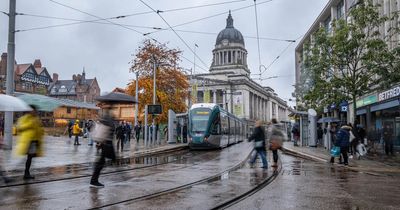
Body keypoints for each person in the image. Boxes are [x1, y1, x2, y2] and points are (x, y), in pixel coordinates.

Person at [16, 105, 44, 179]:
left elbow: (38, 130)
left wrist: (41, 130)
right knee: (29, 157)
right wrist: (30, 124)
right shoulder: (25, 118)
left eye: (35, 110)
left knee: (30, 157)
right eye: (33, 110)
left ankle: (26, 173)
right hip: (28, 141)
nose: (34, 112)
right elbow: (19, 128)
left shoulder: (36, 119)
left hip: (34, 141)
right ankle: (25, 173)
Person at [90, 110, 116, 188]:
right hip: (105, 143)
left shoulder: (106, 121)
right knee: (101, 162)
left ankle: (94, 180)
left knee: (101, 161)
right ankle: (94, 181)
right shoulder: (106, 122)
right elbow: (103, 133)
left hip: (105, 143)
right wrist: (100, 142)